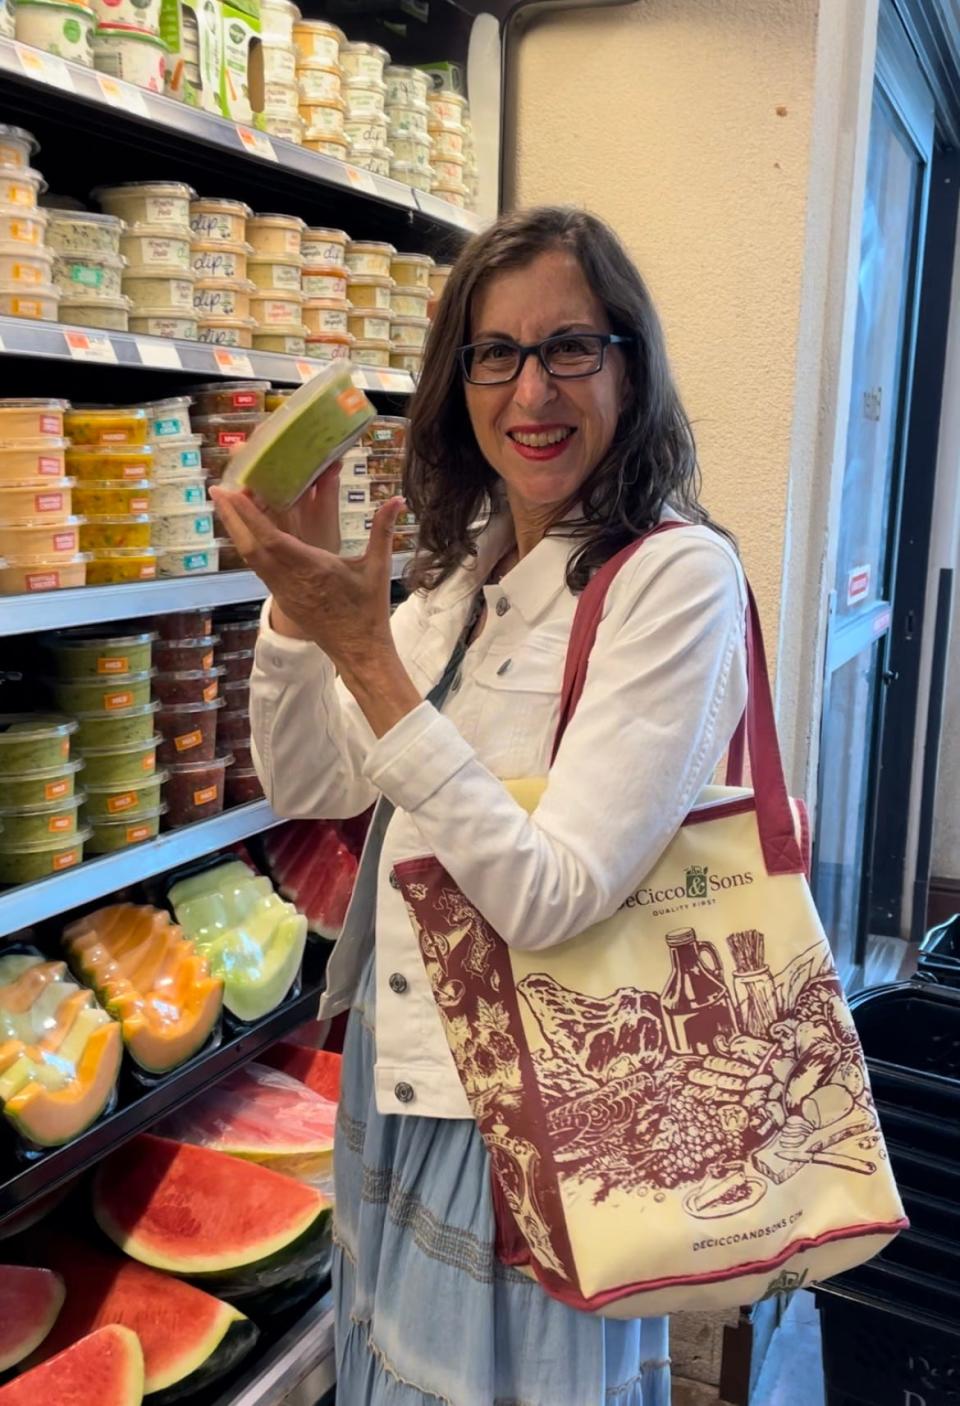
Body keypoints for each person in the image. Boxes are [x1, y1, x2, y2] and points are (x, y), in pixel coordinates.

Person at [212, 205, 748, 1406]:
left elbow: (550, 896)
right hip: (401, 1091)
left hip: (540, 1124)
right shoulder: (458, 577)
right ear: (459, 382)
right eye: (494, 354)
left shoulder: (673, 577)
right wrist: (299, 608)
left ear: (630, 363)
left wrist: (373, 659)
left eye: (571, 347)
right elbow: (311, 783)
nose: (531, 390)